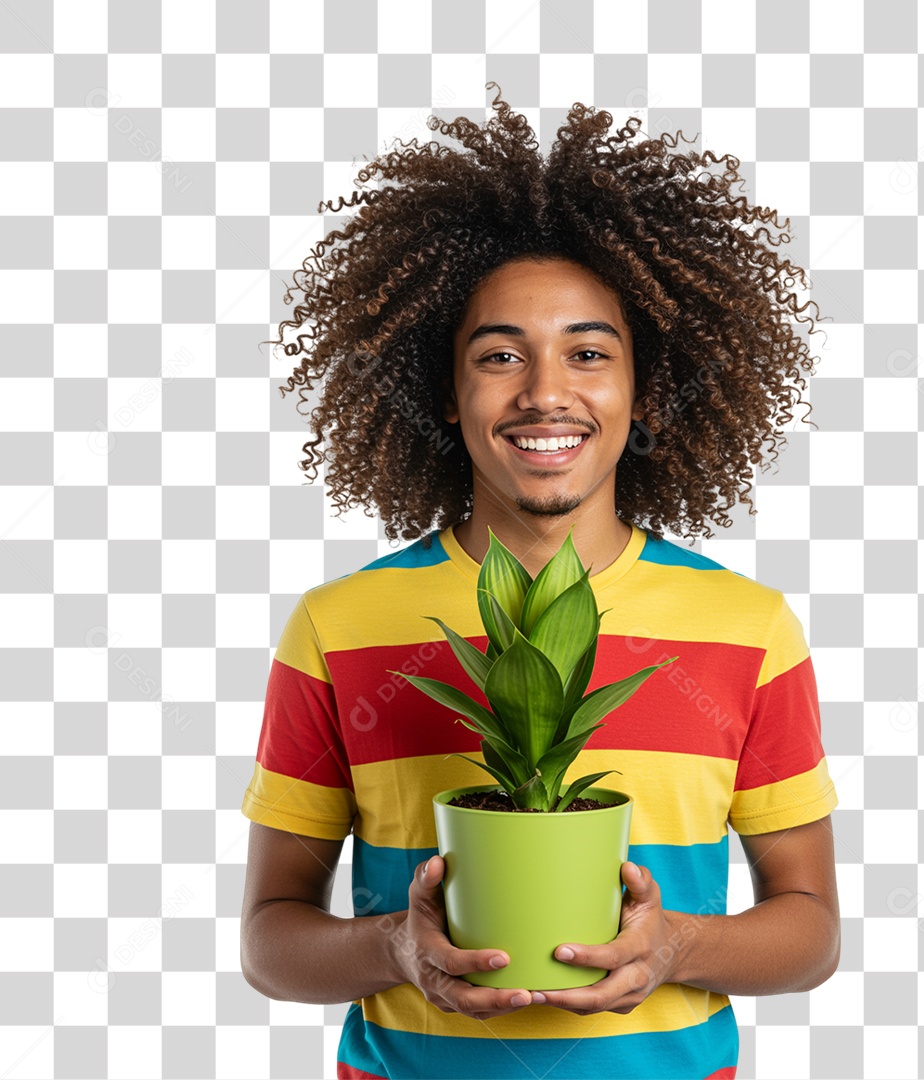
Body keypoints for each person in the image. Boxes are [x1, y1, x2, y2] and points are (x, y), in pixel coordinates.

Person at [240, 84, 839, 1079]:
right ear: (446, 391)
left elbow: (811, 930)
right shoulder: (339, 627)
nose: (545, 393)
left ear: (642, 388)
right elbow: (269, 940)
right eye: (499, 355)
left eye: (589, 354)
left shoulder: (748, 627)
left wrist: (677, 947)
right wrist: (395, 947)